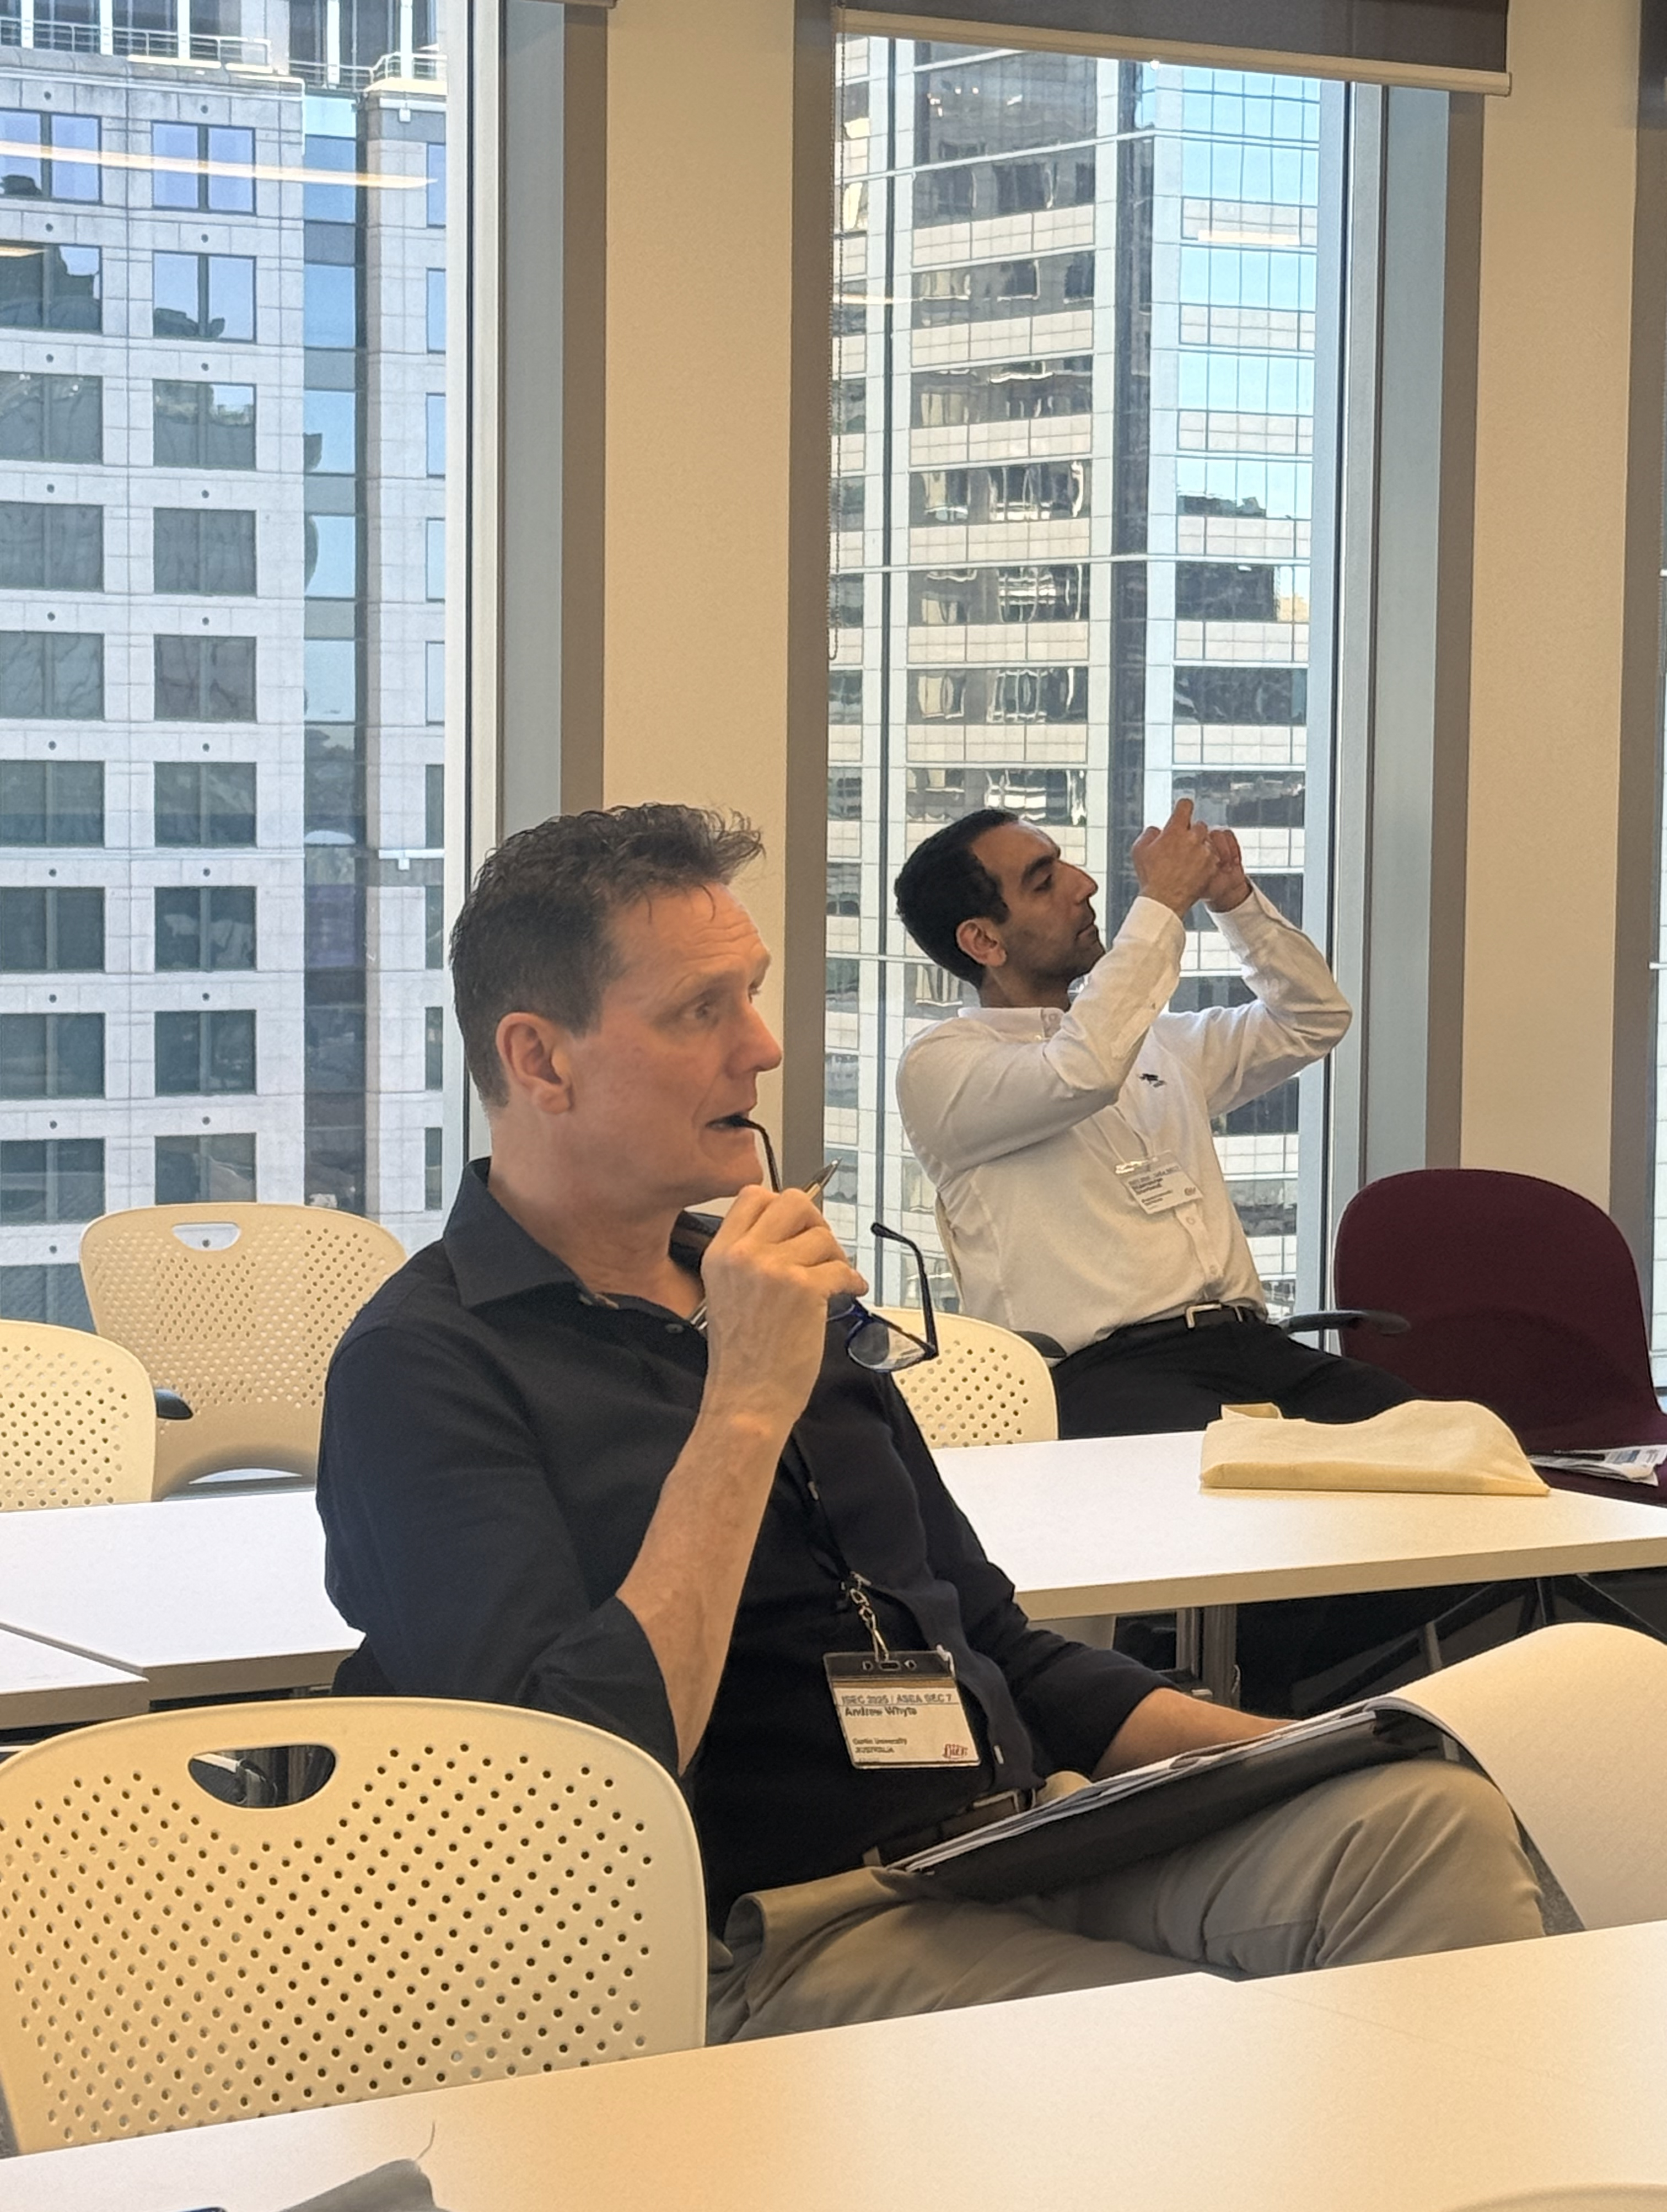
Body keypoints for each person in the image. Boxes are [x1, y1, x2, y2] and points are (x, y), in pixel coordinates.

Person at [316, 803, 1541, 2047]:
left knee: (1422, 1818)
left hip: (1011, 1835)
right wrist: (743, 1406)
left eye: (752, 996)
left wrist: (1312, 1750)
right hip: (772, 1928)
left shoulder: (767, 1287)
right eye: (700, 1010)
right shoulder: (425, 1366)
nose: (762, 1047)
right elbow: (564, 1792)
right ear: (540, 1061)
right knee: (1166, 2042)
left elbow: (995, 1641)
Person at [894, 801, 1416, 1439]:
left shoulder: (1153, 1045)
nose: (1084, 885)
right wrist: (1163, 902)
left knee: (1442, 1440)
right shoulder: (943, 1066)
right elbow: (1081, 1071)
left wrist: (1235, 904)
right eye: (1045, 881)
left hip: (1251, 1345)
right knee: (1234, 1471)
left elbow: (1313, 1018)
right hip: (1104, 1374)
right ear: (984, 940)